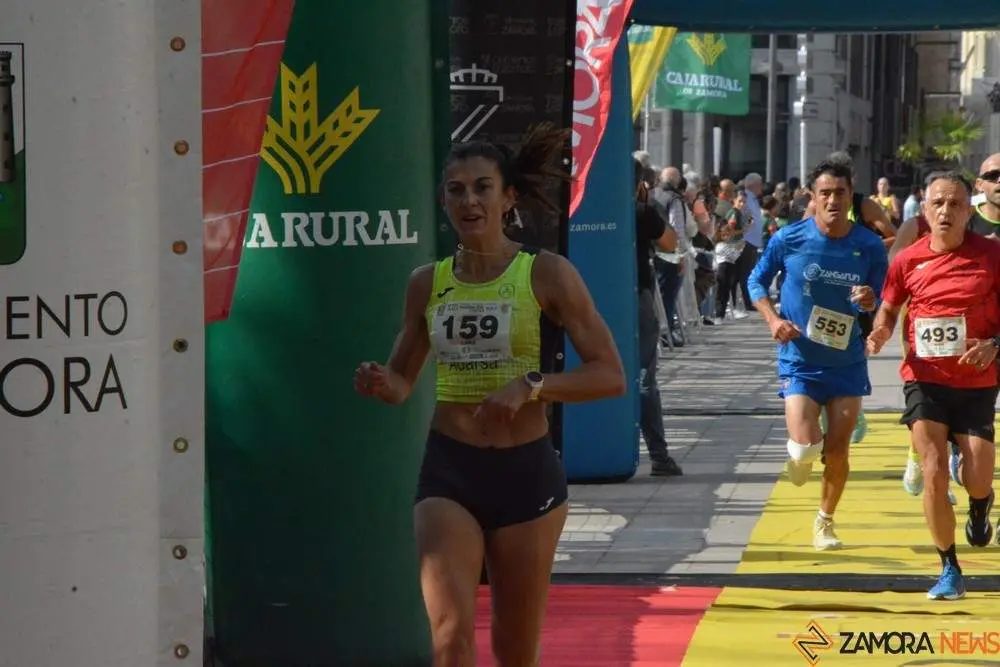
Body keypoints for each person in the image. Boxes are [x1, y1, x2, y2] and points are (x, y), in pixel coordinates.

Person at [353, 123, 626, 666]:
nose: (469, 200)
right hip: (449, 473)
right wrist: (384, 383)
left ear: (508, 198)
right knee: (450, 637)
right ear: (443, 200)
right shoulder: (427, 282)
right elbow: (403, 382)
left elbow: (609, 375)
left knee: (513, 648)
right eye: (456, 190)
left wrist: (531, 386)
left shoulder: (545, 273)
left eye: (482, 187)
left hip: (525, 474)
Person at [867, 171, 1000, 601]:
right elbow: (887, 309)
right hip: (925, 380)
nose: (945, 211)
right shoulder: (907, 260)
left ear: (970, 211)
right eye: (937, 203)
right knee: (934, 472)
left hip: (978, 381)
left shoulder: (992, 256)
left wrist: (995, 344)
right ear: (924, 210)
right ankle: (949, 568)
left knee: (978, 477)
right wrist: (879, 332)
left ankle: (980, 505)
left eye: (955, 204)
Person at [748, 158, 888, 551]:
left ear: (850, 195)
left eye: (839, 193)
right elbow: (755, 279)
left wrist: (869, 299)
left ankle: (825, 521)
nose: (832, 200)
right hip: (801, 359)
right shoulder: (789, 238)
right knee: (808, 446)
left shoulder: (868, 245)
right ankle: (799, 453)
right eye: (824, 193)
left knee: (838, 450)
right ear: (813, 196)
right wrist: (773, 320)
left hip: (846, 361)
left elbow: (879, 297)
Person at [634, 159, 684, 476]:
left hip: (587, 299)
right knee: (644, 378)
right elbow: (670, 241)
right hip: (635, 298)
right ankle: (659, 455)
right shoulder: (641, 211)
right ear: (641, 184)